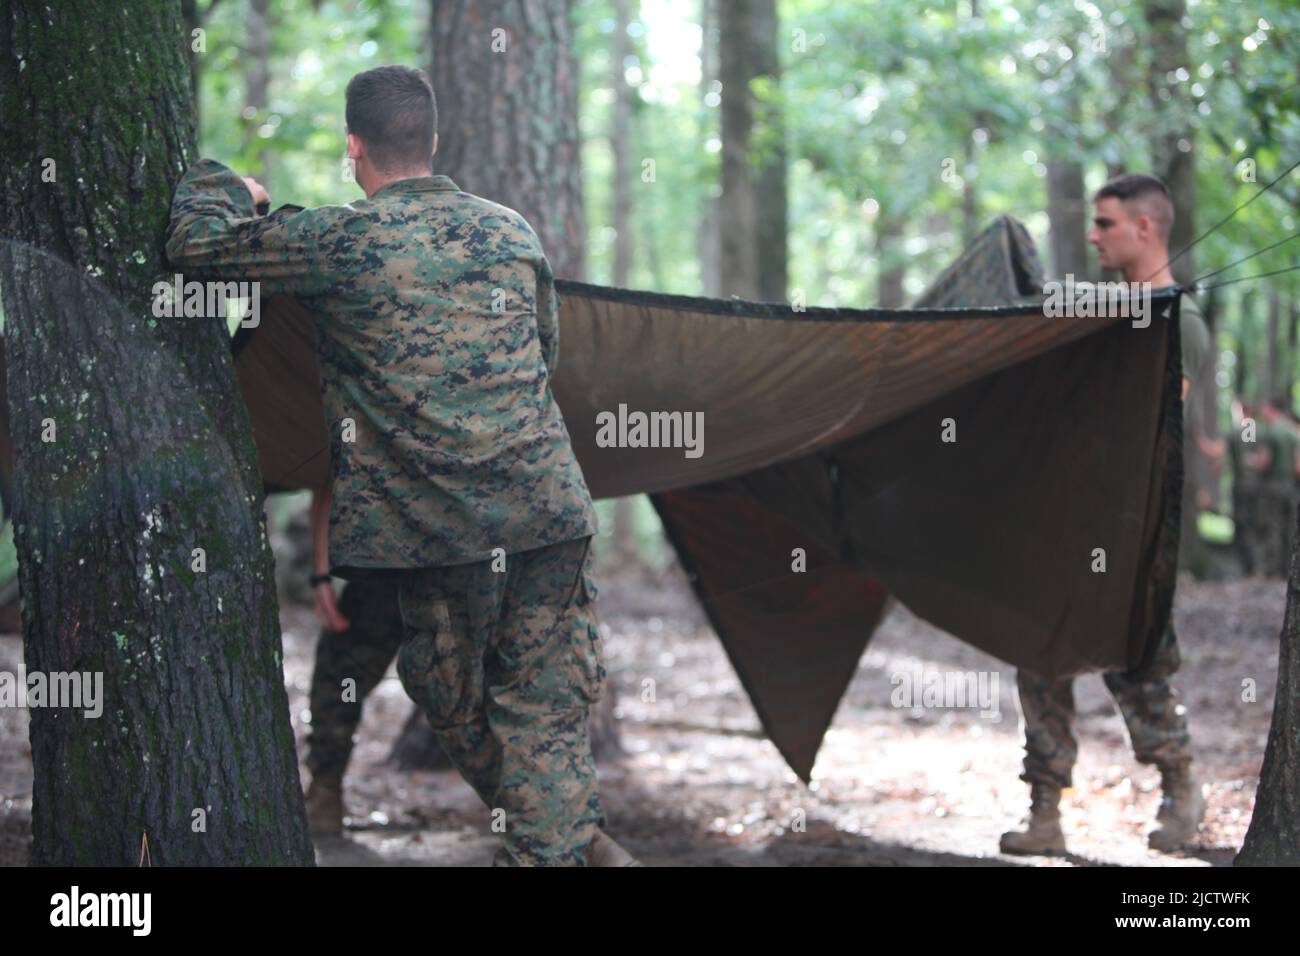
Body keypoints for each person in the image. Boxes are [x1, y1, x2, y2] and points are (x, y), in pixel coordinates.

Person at [166, 64, 637, 866]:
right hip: (545, 513)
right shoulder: (510, 231)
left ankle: (555, 844)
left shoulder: (340, 240)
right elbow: (543, 355)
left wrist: (228, 182)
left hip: (442, 529)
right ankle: (569, 839)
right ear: (434, 141)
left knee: (461, 702)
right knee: (532, 708)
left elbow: (194, 246)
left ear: (355, 148)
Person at [1000, 173, 1210, 855]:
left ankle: (1180, 788)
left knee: (1139, 665)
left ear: (1146, 227)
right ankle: (1045, 811)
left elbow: (1147, 427)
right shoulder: (1104, 314)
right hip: (1063, 522)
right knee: (1038, 660)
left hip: (1128, 531)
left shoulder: (1181, 322)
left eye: (1105, 224)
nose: (1092, 237)